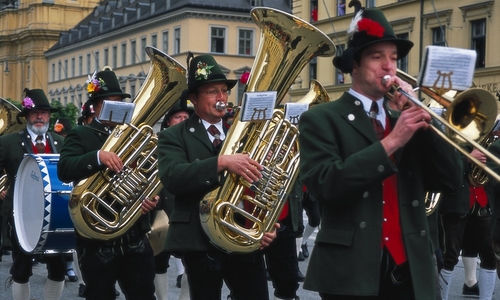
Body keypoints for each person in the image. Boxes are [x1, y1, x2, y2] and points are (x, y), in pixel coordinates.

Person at [298, 6, 462, 300]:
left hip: (411, 265)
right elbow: (324, 185)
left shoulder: (406, 121)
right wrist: (391, 142)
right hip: (350, 270)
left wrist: (424, 124)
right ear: (354, 66)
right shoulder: (322, 118)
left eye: (394, 58)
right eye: (377, 57)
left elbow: (450, 180)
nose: (389, 66)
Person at [157, 52, 277, 300]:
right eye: (213, 92)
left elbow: (262, 184)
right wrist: (220, 162)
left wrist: (265, 223)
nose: (222, 98)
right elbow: (172, 177)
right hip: (199, 240)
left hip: (242, 235)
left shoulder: (244, 134)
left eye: (224, 91)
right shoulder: (174, 135)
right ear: (193, 99)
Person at [58, 69, 159, 300]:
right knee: (100, 295)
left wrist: (151, 197)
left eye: (120, 102)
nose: (118, 106)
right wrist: (97, 157)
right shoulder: (82, 134)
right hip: (97, 236)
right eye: (110, 102)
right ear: (96, 106)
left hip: (134, 233)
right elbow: (65, 169)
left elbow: (149, 174)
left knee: (144, 295)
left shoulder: (135, 135)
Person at [0, 88, 67, 300]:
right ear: (27, 116)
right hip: (22, 215)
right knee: (21, 270)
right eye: (35, 112)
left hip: (55, 213)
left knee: (58, 269)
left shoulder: (61, 142)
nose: (40, 117)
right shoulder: (8, 142)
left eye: (44, 113)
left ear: (49, 116)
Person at [438, 150, 497, 300]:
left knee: (489, 254)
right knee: (449, 256)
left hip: (483, 201)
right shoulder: (452, 134)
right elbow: (442, 164)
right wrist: (467, 159)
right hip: (456, 201)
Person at [155, 94, 193, 300]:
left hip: (185, 209)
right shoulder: (157, 143)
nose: (183, 119)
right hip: (160, 209)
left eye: (186, 116)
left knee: (191, 261)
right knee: (159, 262)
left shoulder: (195, 143)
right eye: (178, 116)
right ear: (168, 121)